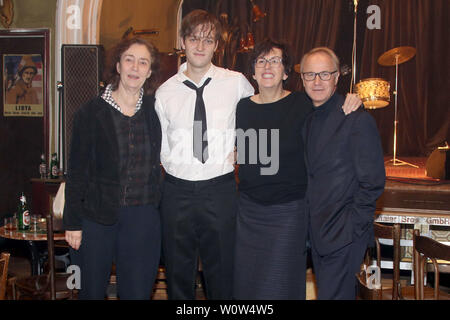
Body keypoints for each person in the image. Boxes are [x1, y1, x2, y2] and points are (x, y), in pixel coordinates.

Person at [233, 39, 361, 300]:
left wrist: (351, 99)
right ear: (253, 72)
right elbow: (247, 152)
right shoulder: (242, 107)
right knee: (247, 287)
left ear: (287, 72)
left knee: (279, 287)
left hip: (288, 212)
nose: (267, 66)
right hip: (248, 213)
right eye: (261, 61)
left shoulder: (302, 104)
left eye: (275, 61)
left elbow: (330, 107)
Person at [155, 9, 254, 300]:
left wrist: (245, 152)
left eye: (208, 40)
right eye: (194, 38)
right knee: (177, 273)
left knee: (222, 272)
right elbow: (160, 144)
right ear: (183, 41)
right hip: (176, 191)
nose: (200, 46)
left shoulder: (236, 83)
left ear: (216, 46)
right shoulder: (164, 92)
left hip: (220, 189)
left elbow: (258, 118)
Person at [63, 37, 163, 300]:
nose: (135, 67)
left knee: (138, 294)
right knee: (91, 292)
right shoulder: (90, 113)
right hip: (96, 218)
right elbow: (76, 172)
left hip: (142, 218)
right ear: (118, 66)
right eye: (129, 59)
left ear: (150, 71)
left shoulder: (157, 112)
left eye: (143, 62)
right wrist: (72, 222)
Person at [301, 47, 385, 299]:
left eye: (324, 74)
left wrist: (352, 228)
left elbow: (373, 183)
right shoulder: (304, 117)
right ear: (302, 78)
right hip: (315, 234)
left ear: (337, 77)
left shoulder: (356, 119)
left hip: (343, 234)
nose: (317, 81)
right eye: (310, 75)